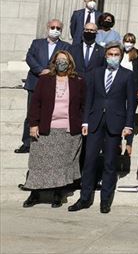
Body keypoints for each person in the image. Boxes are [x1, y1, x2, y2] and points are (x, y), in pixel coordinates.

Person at [68, 41, 136, 214]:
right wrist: (85, 121)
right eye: (110, 54)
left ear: (121, 56)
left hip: (115, 123)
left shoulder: (127, 75)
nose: (113, 57)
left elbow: (131, 102)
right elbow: (88, 98)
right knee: (89, 161)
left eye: (116, 55)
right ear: (105, 56)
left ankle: (105, 201)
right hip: (95, 122)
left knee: (109, 163)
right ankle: (84, 198)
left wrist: (128, 126)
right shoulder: (95, 73)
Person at [22, 51, 85, 208]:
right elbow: (35, 103)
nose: (62, 63)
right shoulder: (45, 80)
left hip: (67, 130)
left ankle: (57, 193)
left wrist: (83, 123)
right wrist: (33, 124)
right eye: (59, 60)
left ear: (70, 63)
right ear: (54, 62)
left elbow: (83, 105)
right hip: (45, 128)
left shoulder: (77, 81)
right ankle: (34, 194)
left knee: (61, 164)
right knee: (39, 162)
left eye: (65, 60)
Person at [17, 19, 70, 154]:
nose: (55, 30)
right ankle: (27, 143)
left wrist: (51, 72)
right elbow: (30, 57)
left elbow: (66, 61)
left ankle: (45, 142)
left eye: (58, 28)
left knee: (49, 113)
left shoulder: (65, 46)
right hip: (35, 82)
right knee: (31, 113)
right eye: (53, 27)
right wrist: (40, 70)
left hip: (54, 84)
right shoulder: (37, 43)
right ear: (48, 27)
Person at [120, 33, 138, 155]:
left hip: (133, 88)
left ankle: (129, 143)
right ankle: (119, 142)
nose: (128, 43)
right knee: (119, 114)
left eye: (131, 41)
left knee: (129, 114)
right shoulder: (118, 53)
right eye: (126, 40)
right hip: (119, 88)